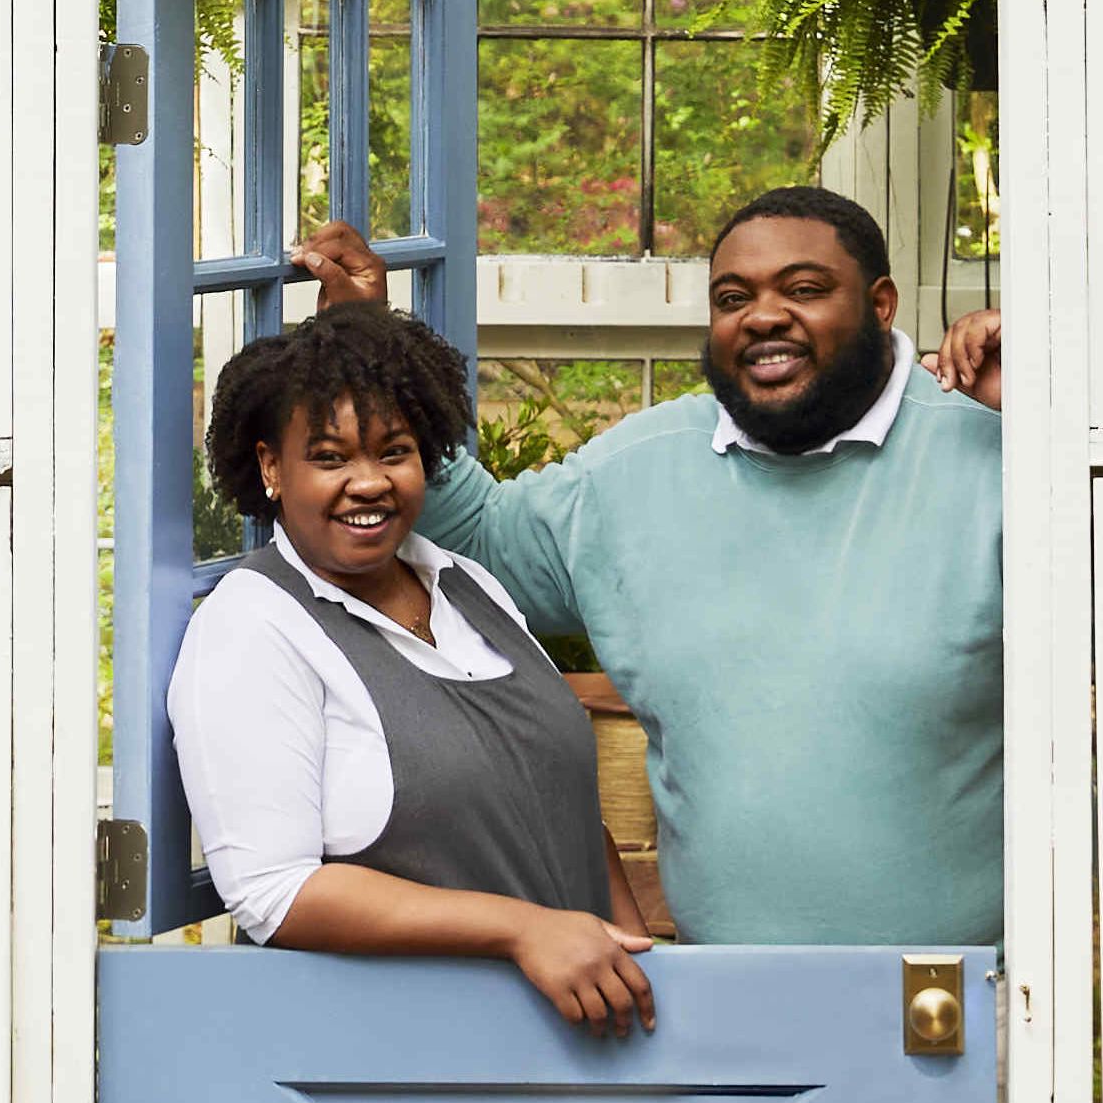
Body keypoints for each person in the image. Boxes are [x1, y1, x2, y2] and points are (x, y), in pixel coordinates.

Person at [292, 186, 1001, 948]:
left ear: (882, 303)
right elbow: (479, 539)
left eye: (803, 289)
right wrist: (367, 341)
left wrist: (1054, 417)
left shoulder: (992, 458)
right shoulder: (638, 471)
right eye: (733, 297)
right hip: (727, 1011)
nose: (762, 315)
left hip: (961, 1015)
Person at [164, 300, 657, 1033]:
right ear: (271, 466)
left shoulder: (467, 585)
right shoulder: (254, 625)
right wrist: (523, 928)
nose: (368, 482)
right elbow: (275, 893)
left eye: (392, 451)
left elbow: (569, 812)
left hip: (587, 1039)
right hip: (408, 1067)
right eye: (330, 458)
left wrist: (648, 969)